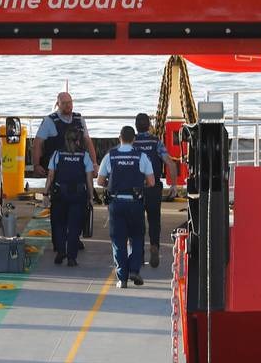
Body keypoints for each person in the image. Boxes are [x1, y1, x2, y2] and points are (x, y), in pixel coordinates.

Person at [34, 92, 96, 252]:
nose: (69, 106)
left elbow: (88, 142)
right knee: (59, 212)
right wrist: (36, 164)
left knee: (77, 211)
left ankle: (73, 239)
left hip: (77, 171)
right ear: (58, 104)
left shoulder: (79, 119)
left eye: (70, 102)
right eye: (65, 103)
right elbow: (38, 143)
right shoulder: (49, 121)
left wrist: (95, 162)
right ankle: (60, 242)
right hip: (58, 173)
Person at [97, 126, 155, 288]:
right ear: (134, 139)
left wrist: (114, 184)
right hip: (135, 203)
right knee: (137, 237)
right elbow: (151, 182)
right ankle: (134, 270)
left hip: (116, 203)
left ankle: (122, 278)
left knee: (118, 240)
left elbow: (100, 181)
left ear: (119, 138)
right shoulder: (141, 157)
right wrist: (137, 183)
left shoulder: (110, 156)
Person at [132, 113, 179, 269]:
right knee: (154, 220)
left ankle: (138, 255)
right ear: (149, 126)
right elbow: (170, 163)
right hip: (154, 188)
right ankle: (154, 246)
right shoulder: (156, 142)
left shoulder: (131, 143)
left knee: (136, 222)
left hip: (136, 188)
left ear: (136, 126)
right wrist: (173, 185)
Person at [44, 127, 93, 267]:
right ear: (79, 141)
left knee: (58, 224)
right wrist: (90, 197)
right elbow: (89, 179)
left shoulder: (57, 154)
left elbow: (51, 176)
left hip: (60, 194)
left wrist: (46, 193)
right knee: (74, 226)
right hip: (78, 195)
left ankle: (60, 251)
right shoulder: (85, 156)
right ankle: (72, 257)